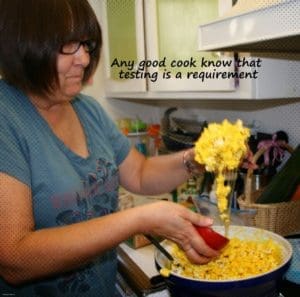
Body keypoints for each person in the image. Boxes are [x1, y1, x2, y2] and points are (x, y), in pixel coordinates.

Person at [0, 0, 219, 296]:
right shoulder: (6, 116)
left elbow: (140, 173)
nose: (85, 59)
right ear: (23, 42)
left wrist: (196, 159)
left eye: (86, 45)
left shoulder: (87, 109)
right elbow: (14, 258)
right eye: (68, 45)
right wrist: (140, 219)